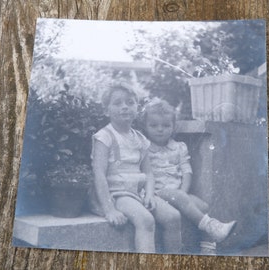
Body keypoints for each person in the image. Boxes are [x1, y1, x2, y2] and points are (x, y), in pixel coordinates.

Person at [89, 83, 182, 254]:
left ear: (137, 108)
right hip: (118, 194)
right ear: (106, 110)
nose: (125, 106)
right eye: (118, 103)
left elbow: (147, 172)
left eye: (130, 102)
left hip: (139, 193)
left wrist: (149, 194)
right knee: (146, 220)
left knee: (173, 217)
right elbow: (99, 174)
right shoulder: (104, 137)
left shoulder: (139, 138)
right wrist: (109, 209)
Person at [142, 98, 237, 254]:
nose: (160, 129)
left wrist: (183, 191)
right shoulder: (145, 148)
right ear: (145, 127)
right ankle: (213, 227)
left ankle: (207, 248)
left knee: (203, 206)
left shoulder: (179, 147)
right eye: (154, 125)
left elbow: (186, 171)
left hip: (178, 194)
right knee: (181, 200)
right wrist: (178, 195)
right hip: (157, 193)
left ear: (173, 127)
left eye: (166, 125)